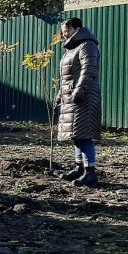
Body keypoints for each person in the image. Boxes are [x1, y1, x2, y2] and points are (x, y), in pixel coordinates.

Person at [56, 17, 101, 187]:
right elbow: (67, 77)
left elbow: (89, 70)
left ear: (76, 29)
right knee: (76, 135)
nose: (64, 34)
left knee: (84, 135)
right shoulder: (72, 48)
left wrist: (80, 90)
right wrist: (60, 94)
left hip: (84, 97)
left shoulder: (87, 46)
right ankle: (79, 167)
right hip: (72, 96)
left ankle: (90, 172)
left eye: (66, 30)